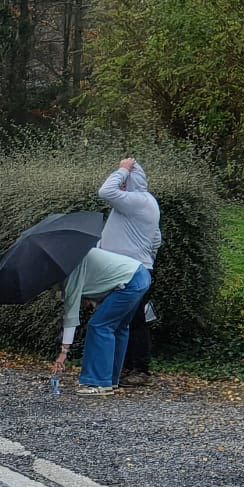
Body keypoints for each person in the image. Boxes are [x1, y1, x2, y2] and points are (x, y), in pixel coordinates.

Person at [97, 157, 163, 387]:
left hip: (129, 270)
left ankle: (139, 369)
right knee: (125, 320)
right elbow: (156, 239)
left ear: (132, 181)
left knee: (132, 321)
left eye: (125, 181)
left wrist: (122, 170)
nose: (121, 185)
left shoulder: (137, 201)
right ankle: (126, 367)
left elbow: (105, 191)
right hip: (132, 268)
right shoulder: (143, 202)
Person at [52, 242, 150, 397]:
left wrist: (64, 351)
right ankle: (111, 380)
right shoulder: (77, 253)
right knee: (118, 328)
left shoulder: (72, 271)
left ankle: (97, 382)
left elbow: (71, 316)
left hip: (129, 282)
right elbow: (100, 283)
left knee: (99, 326)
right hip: (139, 274)